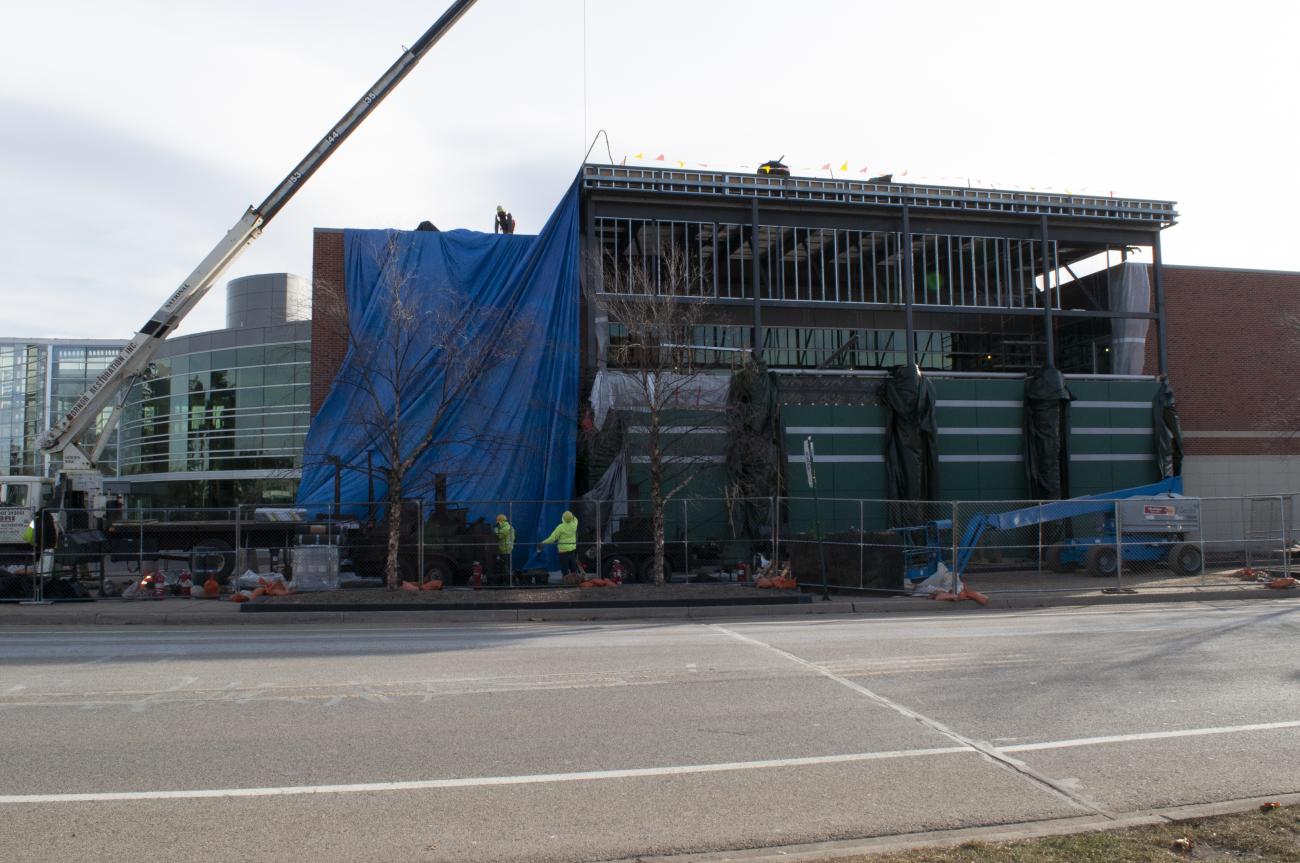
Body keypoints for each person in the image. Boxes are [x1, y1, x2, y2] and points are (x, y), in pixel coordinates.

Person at [537, 511, 578, 582]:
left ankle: (567, 582)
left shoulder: (560, 527)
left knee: (565, 569)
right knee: (573, 567)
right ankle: (575, 581)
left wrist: (543, 542)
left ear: (563, 518)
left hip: (563, 552)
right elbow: (576, 519)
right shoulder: (574, 525)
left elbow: (552, 538)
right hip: (572, 551)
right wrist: (572, 516)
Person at [492, 514, 515, 585]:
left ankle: (509, 583)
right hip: (506, 549)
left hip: (505, 550)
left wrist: (495, 529)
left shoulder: (506, 528)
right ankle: (506, 582)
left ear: (501, 521)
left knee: (506, 568)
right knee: (504, 567)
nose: (497, 524)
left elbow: (500, 535)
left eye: (498, 522)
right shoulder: (509, 527)